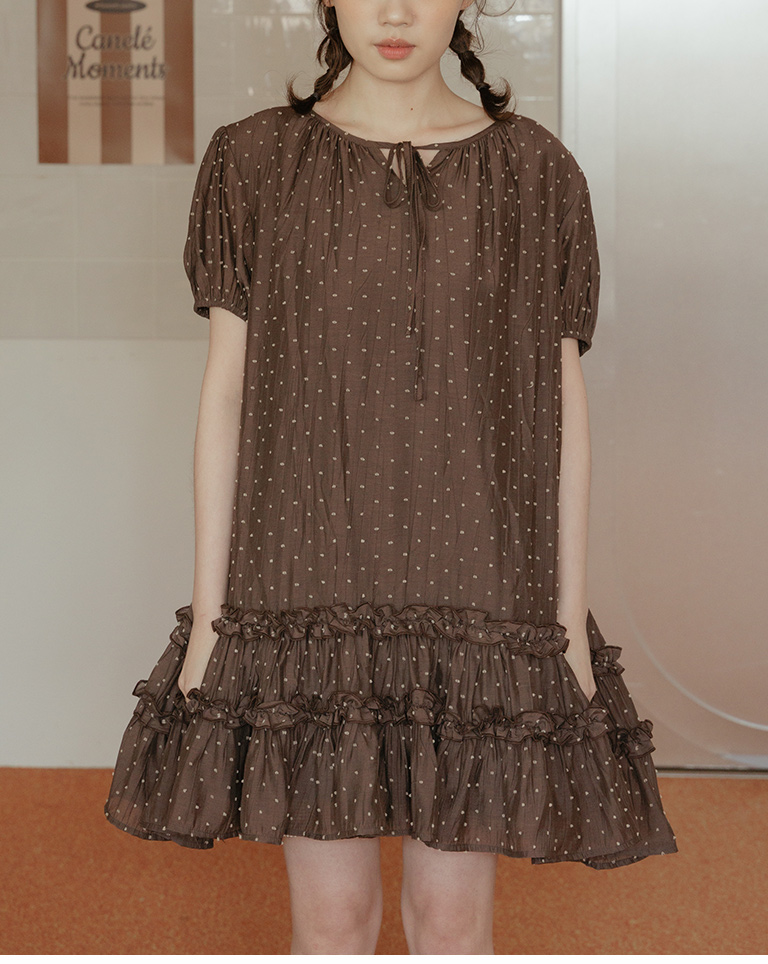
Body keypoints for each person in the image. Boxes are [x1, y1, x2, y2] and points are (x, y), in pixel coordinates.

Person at [104, 0, 678, 953]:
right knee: (332, 921)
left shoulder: (537, 171)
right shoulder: (255, 161)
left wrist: (566, 619)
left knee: (452, 922)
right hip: (307, 592)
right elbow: (226, 398)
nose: (397, 11)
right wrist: (210, 621)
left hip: (478, 598)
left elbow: (563, 413)